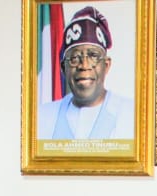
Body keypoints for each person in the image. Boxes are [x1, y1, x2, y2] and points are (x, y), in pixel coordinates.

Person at [37, 6, 136, 140]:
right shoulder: (42, 117)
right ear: (63, 68)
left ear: (106, 65)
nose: (84, 65)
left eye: (93, 56)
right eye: (74, 58)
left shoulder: (132, 115)